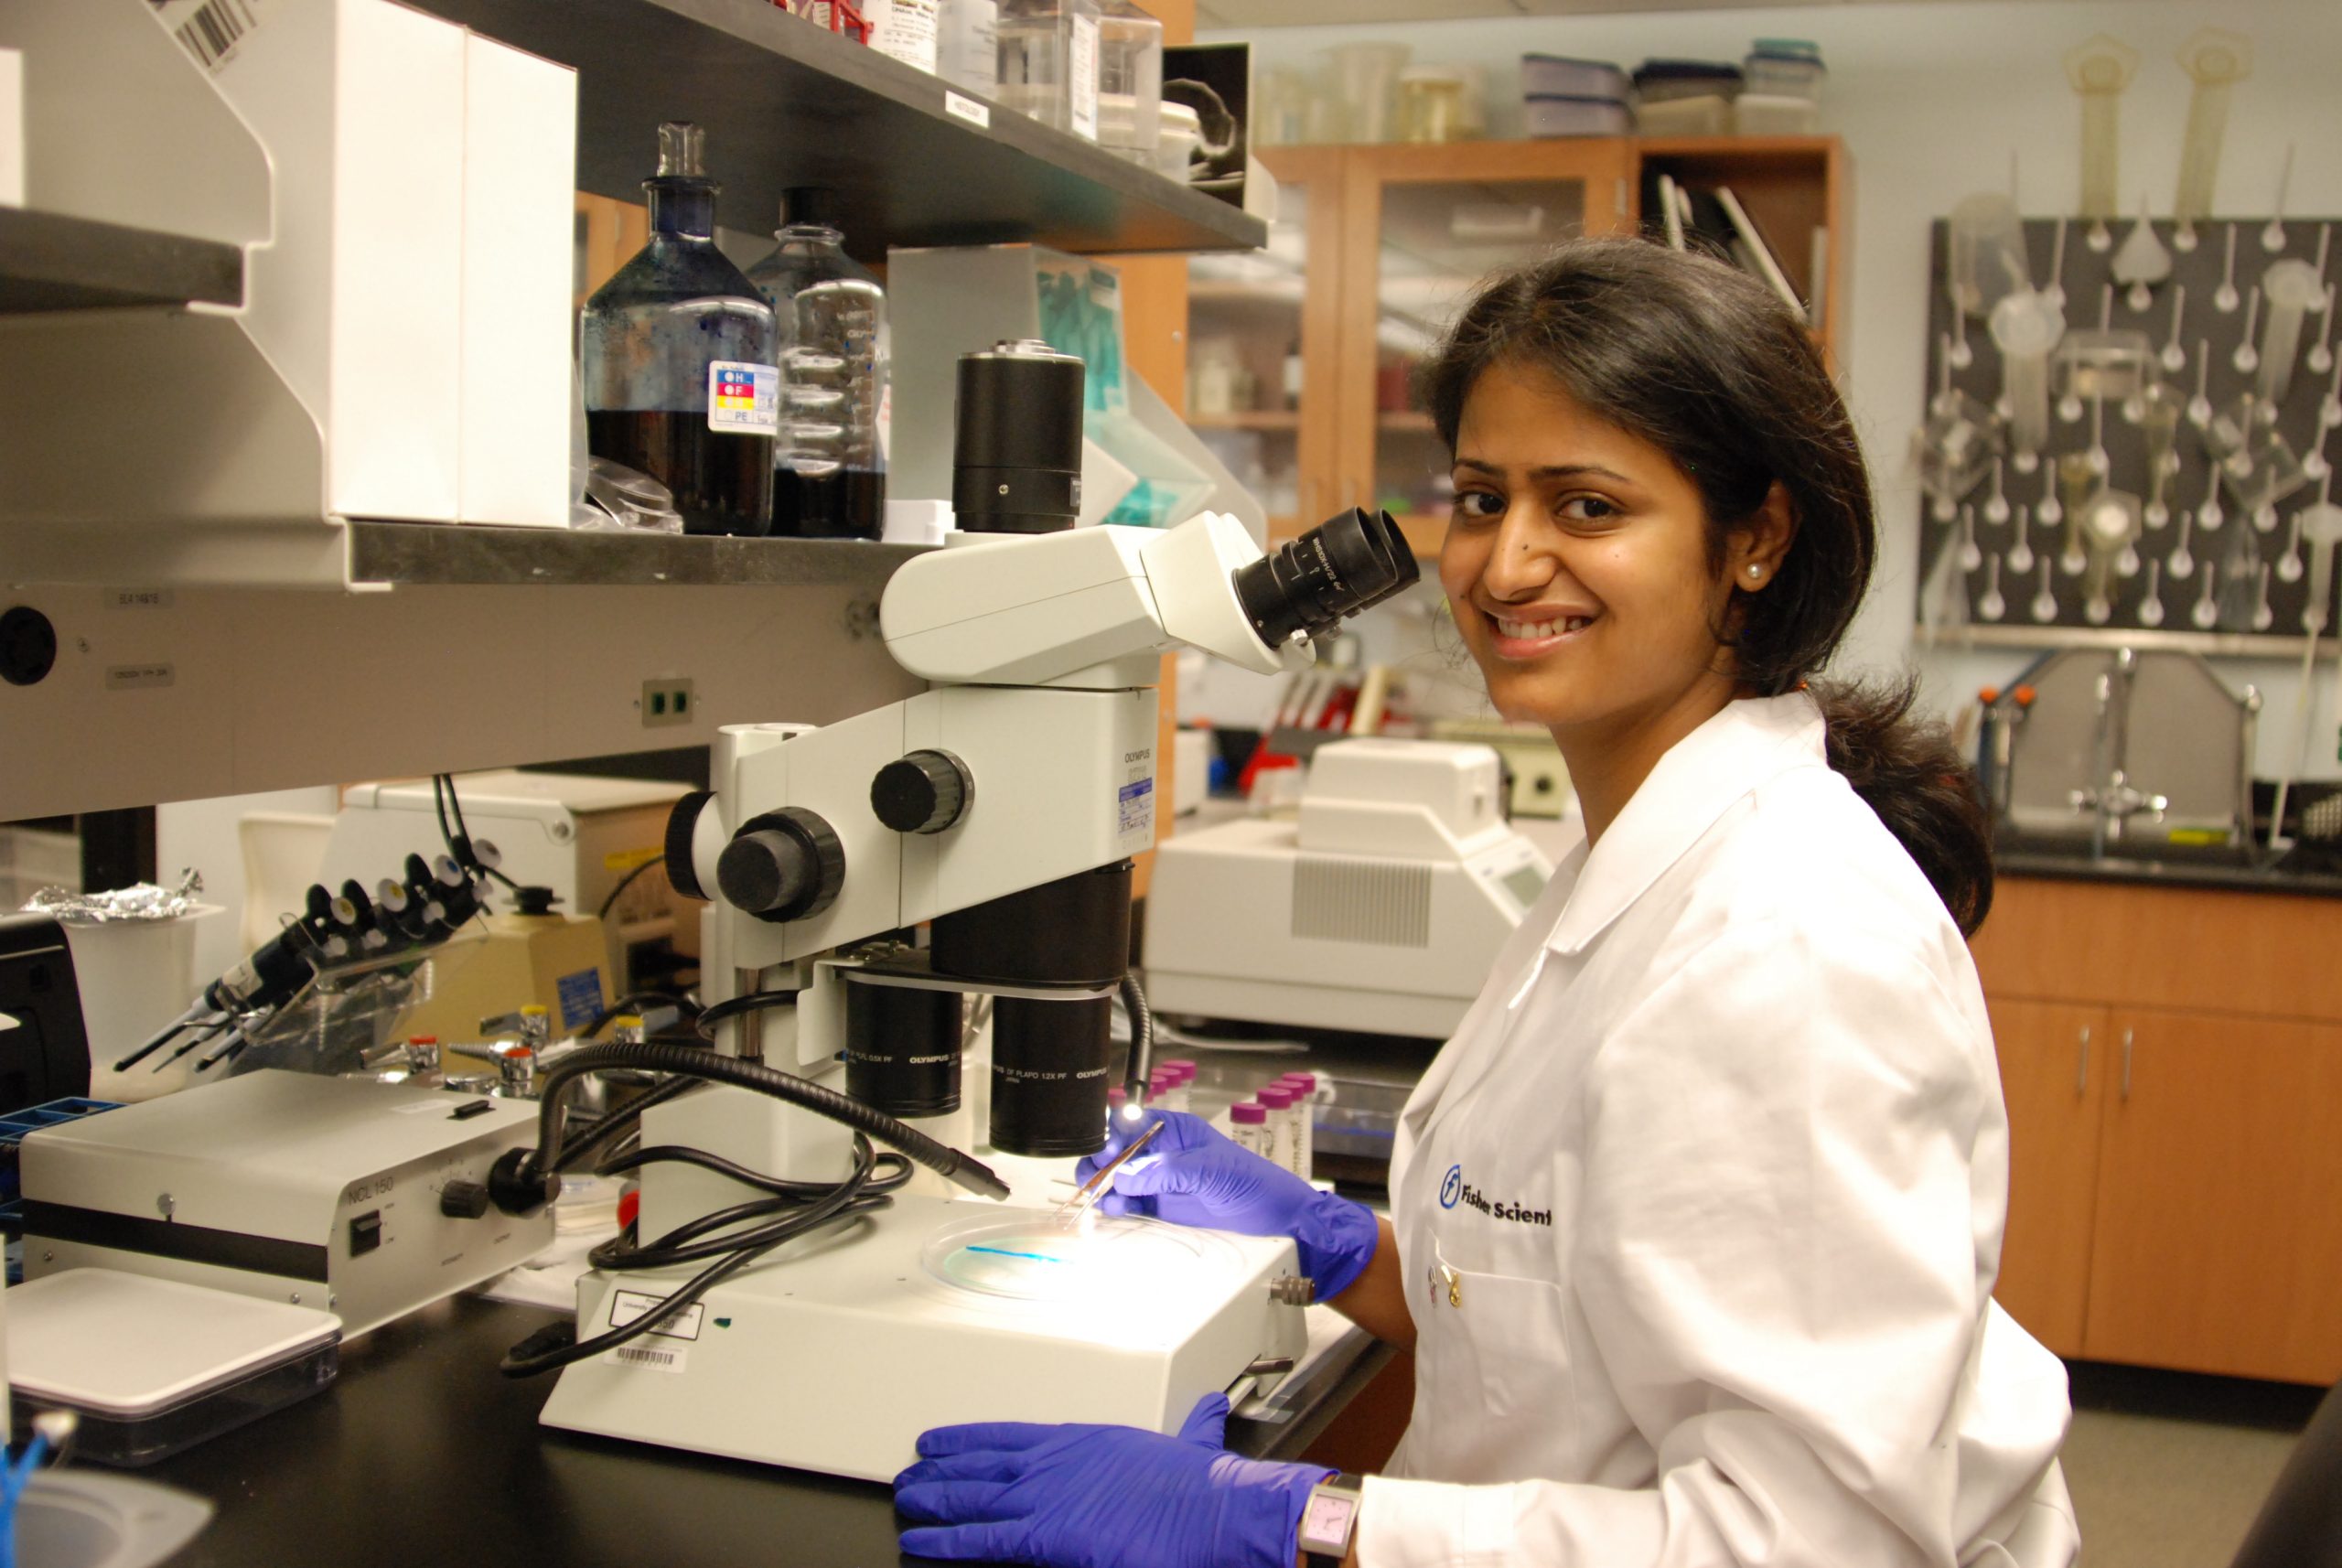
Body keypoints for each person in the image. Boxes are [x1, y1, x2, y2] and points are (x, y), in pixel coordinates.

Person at [891, 237, 2081, 1568]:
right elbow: (1586, 1311)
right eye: (1479, 497)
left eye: (1586, 507)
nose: (1506, 566)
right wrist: (1353, 1249)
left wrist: (1291, 1515)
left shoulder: (1787, 950)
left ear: (1754, 537)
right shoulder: (1637, 852)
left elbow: (1814, 1545)